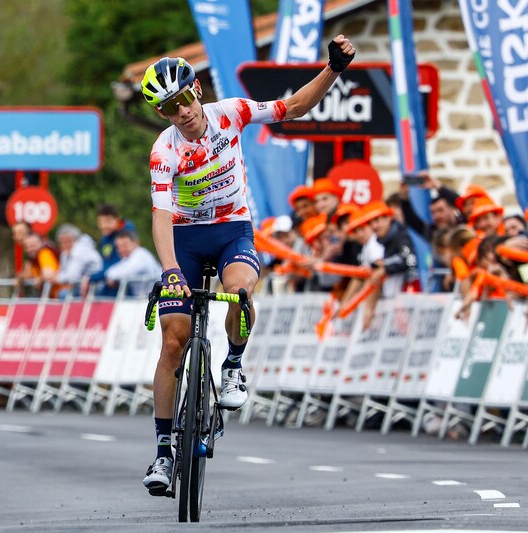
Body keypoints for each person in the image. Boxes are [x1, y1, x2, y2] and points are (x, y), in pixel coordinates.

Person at [140, 35, 356, 492]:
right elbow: (160, 215)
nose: (182, 111)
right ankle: (162, 453)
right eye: (170, 108)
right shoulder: (164, 151)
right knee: (173, 342)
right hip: (184, 238)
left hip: (231, 229)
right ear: (162, 114)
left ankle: (233, 363)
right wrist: (171, 271)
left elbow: (293, 107)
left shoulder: (231, 112)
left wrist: (333, 69)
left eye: (184, 99)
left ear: (197, 90)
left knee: (240, 292)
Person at [87, 204, 135, 297]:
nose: (104, 226)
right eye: (100, 222)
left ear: (117, 219)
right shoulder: (106, 238)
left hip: (126, 285)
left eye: (108, 221)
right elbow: (106, 263)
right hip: (109, 283)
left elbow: (118, 264)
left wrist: (91, 278)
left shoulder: (125, 235)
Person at [104, 230, 161, 296]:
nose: (121, 249)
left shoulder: (141, 255)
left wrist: (112, 279)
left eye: (125, 245)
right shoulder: (128, 258)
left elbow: (125, 273)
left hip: (156, 297)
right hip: (144, 297)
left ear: (135, 242)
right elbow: (109, 272)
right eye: (118, 247)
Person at [54, 223, 102, 297]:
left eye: (68, 241)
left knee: (63, 295)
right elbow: (63, 271)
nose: (65, 245)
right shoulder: (65, 253)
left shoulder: (80, 250)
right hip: (83, 285)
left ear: (76, 240)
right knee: (62, 293)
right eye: (62, 243)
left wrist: (56, 278)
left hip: (95, 285)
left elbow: (72, 276)